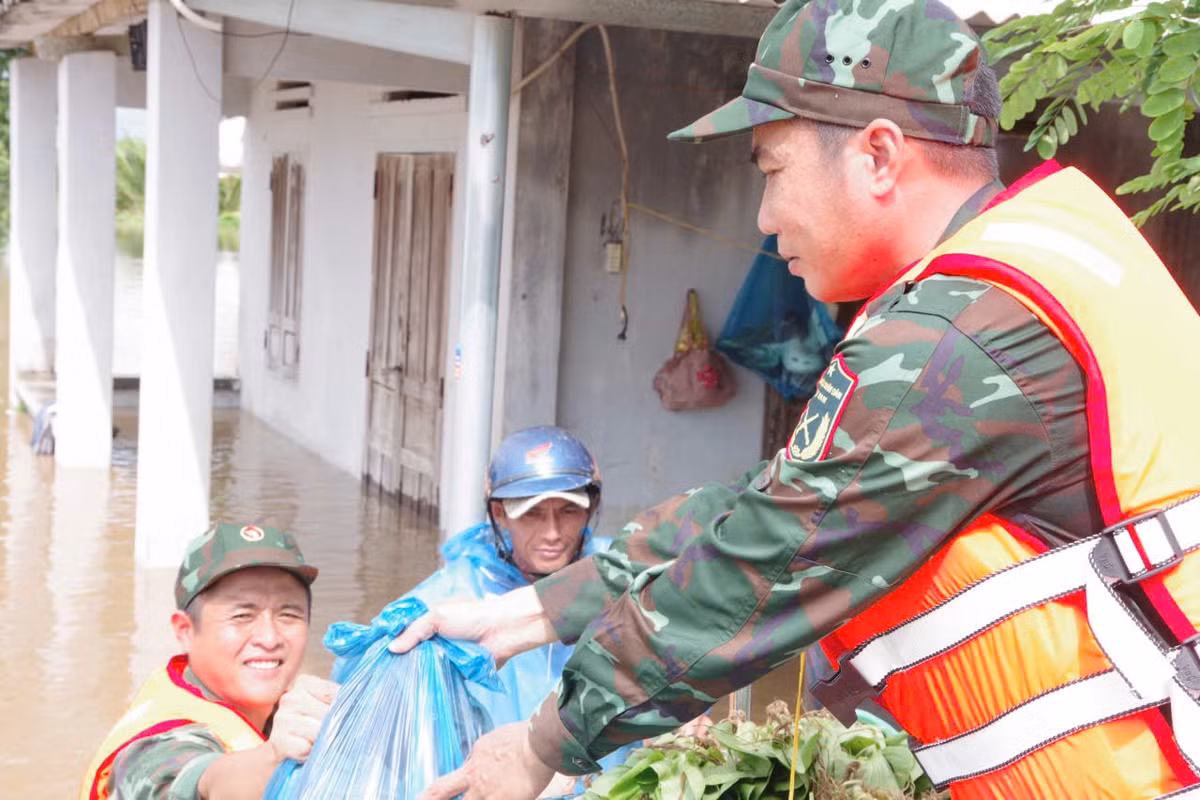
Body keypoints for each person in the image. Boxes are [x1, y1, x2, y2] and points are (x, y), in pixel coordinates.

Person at [393, 1, 1200, 799]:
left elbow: (766, 557)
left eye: (774, 173)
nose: (765, 218)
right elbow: (784, 498)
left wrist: (544, 744)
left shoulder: (952, 336)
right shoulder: (1050, 251)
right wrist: (546, 608)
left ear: (879, 156)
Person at [387, 425, 638, 795]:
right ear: (500, 514)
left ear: (593, 507)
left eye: (568, 511)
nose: (553, 532)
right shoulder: (443, 603)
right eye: (533, 514)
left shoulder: (633, 582)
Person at [80, 523, 337, 800]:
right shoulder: (152, 748)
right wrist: (274, 760)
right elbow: (199, 782)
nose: (269, 637)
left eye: (288, 614)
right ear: (185, 631)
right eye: (242, 616)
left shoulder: (288, 711)